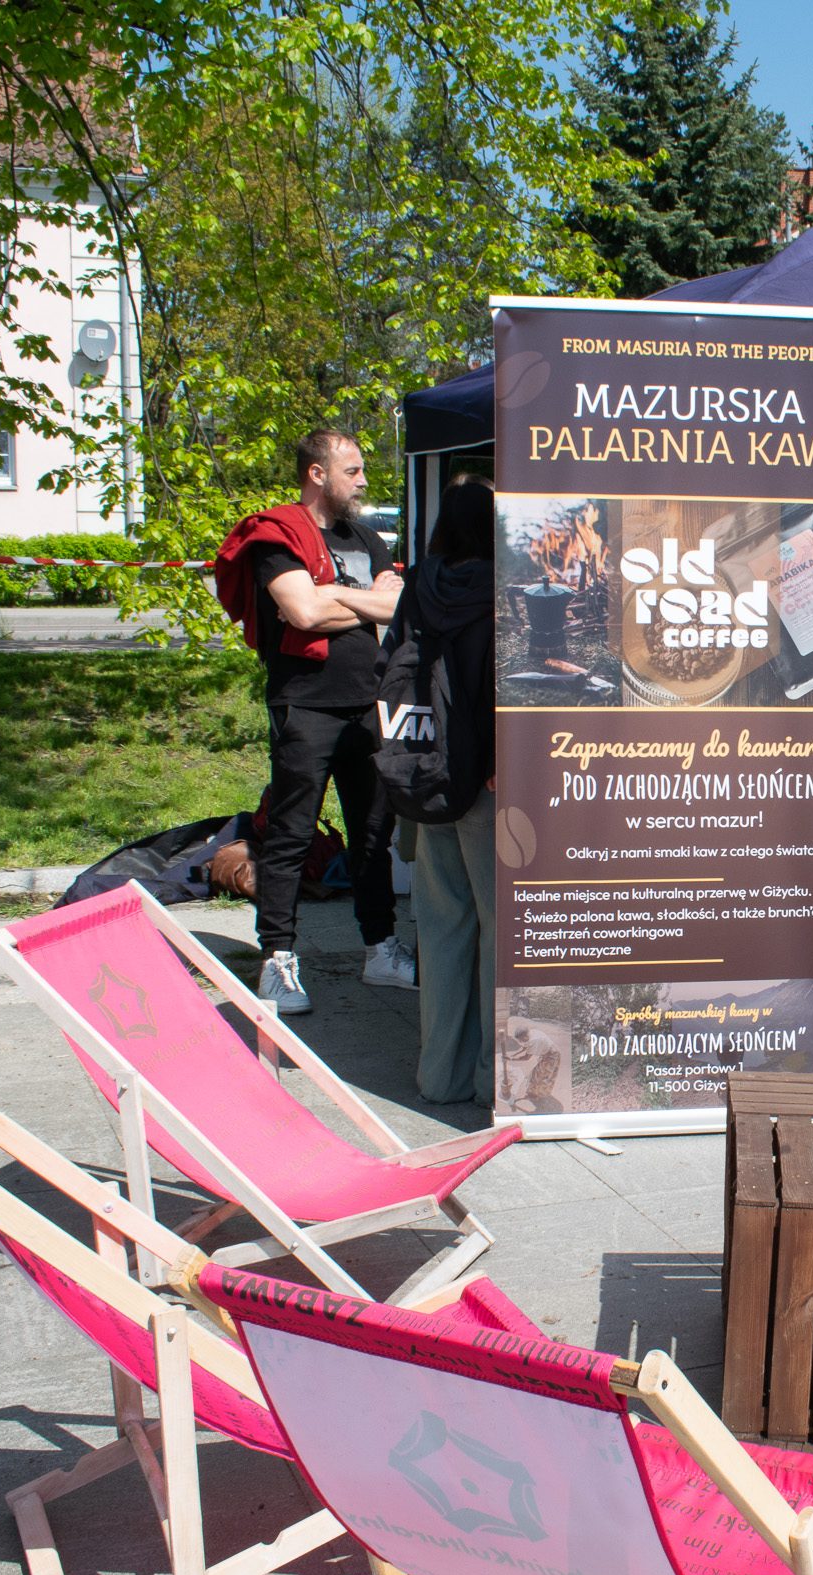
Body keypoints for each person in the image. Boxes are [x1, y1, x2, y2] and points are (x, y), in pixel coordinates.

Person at [214, 427, 411, 1015]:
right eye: (353, 471)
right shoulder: (277, 535)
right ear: (317, 474)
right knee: (291, 833)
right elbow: (300, 612)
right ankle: (277, 959)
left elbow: (397, 607)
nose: (364, 481)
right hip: (304, 704)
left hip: (368, 702)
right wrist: (362, 597)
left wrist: (335, 595)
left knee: (373, 835)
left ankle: (381, 949)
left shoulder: (366, 538)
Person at [386, 476, 497, 1107]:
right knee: (499, 932)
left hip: (429, 775)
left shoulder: (418, 586)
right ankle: (490, 1081)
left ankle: (440, 1075)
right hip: (488, 781)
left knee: (443, 927)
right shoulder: (500, 590)